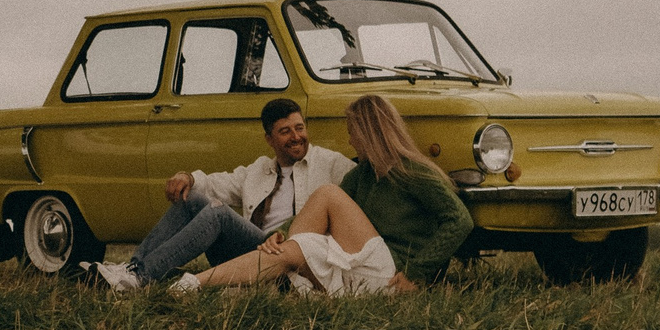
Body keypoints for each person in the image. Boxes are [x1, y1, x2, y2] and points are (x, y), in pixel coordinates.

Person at [170, 95, 474, 297]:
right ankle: (192, 284)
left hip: (391, 273)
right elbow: (316, 213)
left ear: (370, 133)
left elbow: (459, 221)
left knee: (326, 194)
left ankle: (287, 280)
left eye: (353, 131)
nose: (350, 139)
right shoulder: (363, 176)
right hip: (360, 266)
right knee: (290, 251)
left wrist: (417, 275)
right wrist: (279, 234)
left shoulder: (413, 172)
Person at [84, 97, 352, 289]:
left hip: (291, 259)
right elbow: (215, 184)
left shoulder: (330, 164)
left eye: (300, 128)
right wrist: (187, 177)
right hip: (253, 252)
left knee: (218, 213)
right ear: (269, 139)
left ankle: (140, 277)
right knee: (193, 197)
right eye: (285, 131)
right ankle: (132, 269)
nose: (296, 137)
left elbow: (365, 191)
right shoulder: (260, 170)